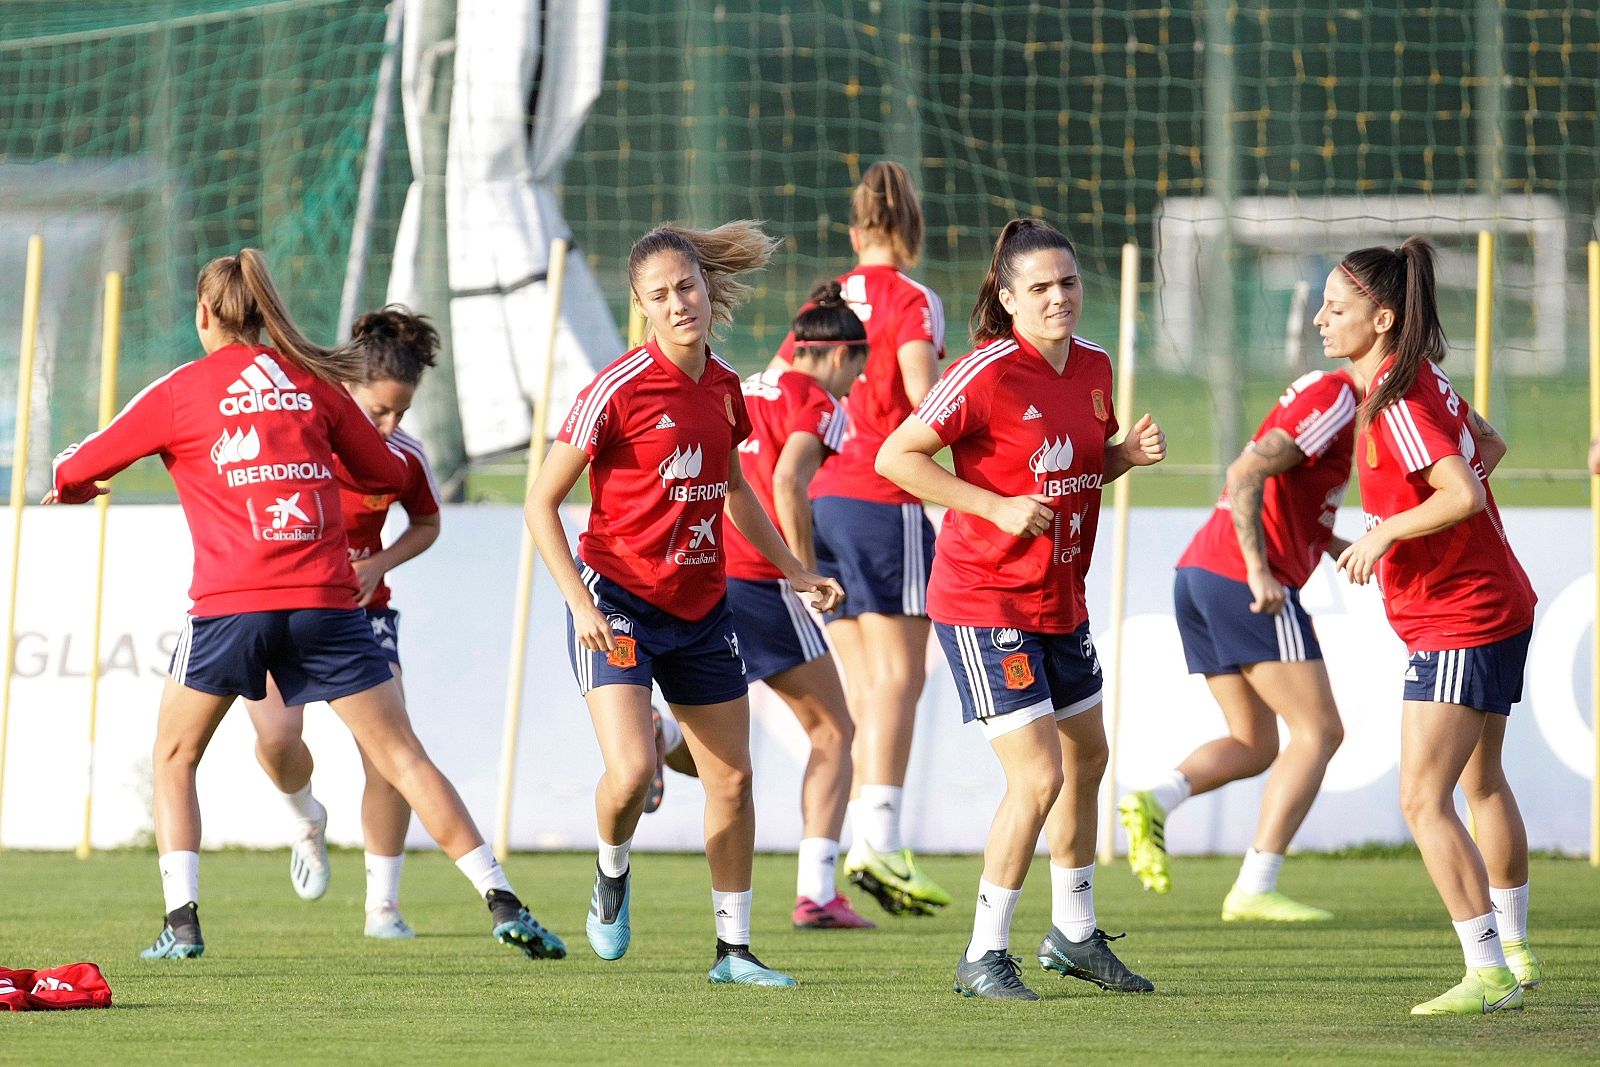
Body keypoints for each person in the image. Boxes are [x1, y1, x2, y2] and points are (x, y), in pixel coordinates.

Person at [49, 251, 564, 962]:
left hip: (232, 607)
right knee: (402, 755)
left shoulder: (181, 391)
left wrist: (74, 487)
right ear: (263, 315)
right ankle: (501, 897)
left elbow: (81, 462)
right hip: (328, 603)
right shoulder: (313, 387)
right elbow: (388, 470)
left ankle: (183, 922)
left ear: (204, 316)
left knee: (174, 754)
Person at [525, 222, 844, 986]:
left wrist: (795, 568)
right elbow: (540, 503)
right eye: (660, 295)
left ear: (707, 289)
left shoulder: (726, 386)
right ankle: (612, 871)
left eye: (688, 287)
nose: (679, 304)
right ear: (641, 307)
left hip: (704, 610)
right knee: (633, 771)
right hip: (619, 600)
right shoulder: (616, 388)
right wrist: (578, 603)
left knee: (731, 780)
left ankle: (732, 951)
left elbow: (735, 488)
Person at [878, 218, 1165, 1001]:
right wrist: (996, 508)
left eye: (1067, 283)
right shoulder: (984, 371)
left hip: (1059, 599)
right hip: (984, 600)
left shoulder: (1097, 368)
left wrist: (1122, 458)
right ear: (1006, 298)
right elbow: (895, 455)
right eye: (1038, 287)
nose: (1058, 298)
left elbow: (1074, 470)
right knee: (1037, 777)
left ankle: (1073, 933)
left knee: (1088, 758)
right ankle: (982, 952)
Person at [1325, 237, 1540, 1015]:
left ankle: (1487, 973)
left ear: (1381, 318)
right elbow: (1490, 445)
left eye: (1337, 307)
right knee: (1479, 781)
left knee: (1422, 800)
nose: (1321, 319)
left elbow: (1462, 491)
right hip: (1494, 601)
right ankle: (1514, 952)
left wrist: (1384, 533)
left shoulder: (1397, 398)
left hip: (1462, 615)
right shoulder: (1425, 383)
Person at [770, 161, 951, 916]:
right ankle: (882, 834)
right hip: (885, 495)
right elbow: (923, 395)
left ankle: (832, 865)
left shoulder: (825, 299)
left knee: (858, 686)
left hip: (820, 496)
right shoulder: (915, 299)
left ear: (853, 231)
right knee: (901, 678)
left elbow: (783, 383)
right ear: (911, 232)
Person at [1118, 366, 1356, 921]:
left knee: (1254, 742)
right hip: (1241, 578)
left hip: (1198, 573)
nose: (1323, 319)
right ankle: (1255, 884)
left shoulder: (1324, 403)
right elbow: (1246, 470)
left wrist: (1357, 546)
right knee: (1320, 730)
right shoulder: (1340, 397)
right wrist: (1258, 571)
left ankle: (1158, 799)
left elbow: (1294, 509)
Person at [240, 305, 444, 939]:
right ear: (347, 384)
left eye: (400, 414)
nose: (388, 425)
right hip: (283, 607)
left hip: (362, 618)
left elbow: (428, 523)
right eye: (379, 410)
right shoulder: (298, 436)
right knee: (277, 739)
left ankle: (382, 904)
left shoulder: (403, 458)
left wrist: (376, 564)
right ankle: (305, 817)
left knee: (388, 756)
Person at [726, 282, 873, 930]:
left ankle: (659, 733)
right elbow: (786, 479)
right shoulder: (817, 402)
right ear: (838, 357)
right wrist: (805, 572)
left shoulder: (748, 386)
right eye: (854, 379)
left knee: (713, 734)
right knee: (835, 729)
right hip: (760, 578)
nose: (849, 394)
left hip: (703, 574)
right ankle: (816, 889)